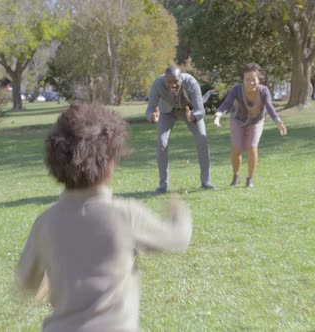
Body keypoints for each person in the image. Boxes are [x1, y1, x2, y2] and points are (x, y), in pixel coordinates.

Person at [16, 103, 192, 332]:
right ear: (109, 163)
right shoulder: (126, 216)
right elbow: (177, 239)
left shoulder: (45, 223)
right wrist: (179, 212)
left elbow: (26, 280)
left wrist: (46, 279)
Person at [213, 63, 287, 188]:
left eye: (254, 79)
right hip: (237, 120)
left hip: (256, 122)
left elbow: (269, 107)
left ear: (259, 80)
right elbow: (227, 103)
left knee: (252, 147)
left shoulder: (264, 91)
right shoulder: (237, 89)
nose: (251, 82)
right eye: (247, 79)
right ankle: (236, 176)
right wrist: (218, 115)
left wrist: (278, 121)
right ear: (243, 80)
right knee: (237, 148)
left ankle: (250, 179)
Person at [146, 65, 215, 194]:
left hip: (189, 111)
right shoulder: (157, 84)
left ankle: (206, 182)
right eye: (169, 82)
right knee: (161, 142)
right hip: (167, 112)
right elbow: (150, 108)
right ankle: (163, 185)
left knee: (202, 139)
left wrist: (193, 116)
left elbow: (201, 109)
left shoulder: (191, 83)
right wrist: (152, 117)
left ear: (181, 79)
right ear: (164, 79)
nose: (173, 85)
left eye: (176, 81)